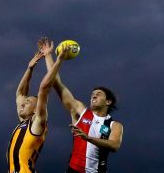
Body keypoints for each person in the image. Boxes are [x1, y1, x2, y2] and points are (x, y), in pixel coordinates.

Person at [44, 47, 123, 173]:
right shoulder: (80, 111)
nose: (94, 96)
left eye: (98, 94)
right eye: (92, 94)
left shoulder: (114, 125)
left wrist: (88, 138)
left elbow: (114, 146)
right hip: (73, 170)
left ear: (108, 102)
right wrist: (49, 55)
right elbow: (56, 83)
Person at [7, 37, 71, 173]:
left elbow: (44, 88)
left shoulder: (37, 122)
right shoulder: (23, 122)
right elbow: (20, 94)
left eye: (28, 102)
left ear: (36, 110)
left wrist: (55, 59)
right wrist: (30, 69)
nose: (23, 104)